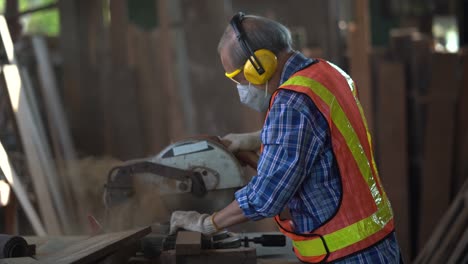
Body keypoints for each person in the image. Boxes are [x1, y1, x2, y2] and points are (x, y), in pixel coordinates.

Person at [170, 12, 402, 263]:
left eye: (239, 79)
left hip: (346, 254)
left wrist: (206, 223)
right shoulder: (327, 73)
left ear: (260, 65)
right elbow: (323, 139)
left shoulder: (292, 102)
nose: (241, 89)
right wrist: (255, 140)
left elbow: (267, 197)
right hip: (376, 244)